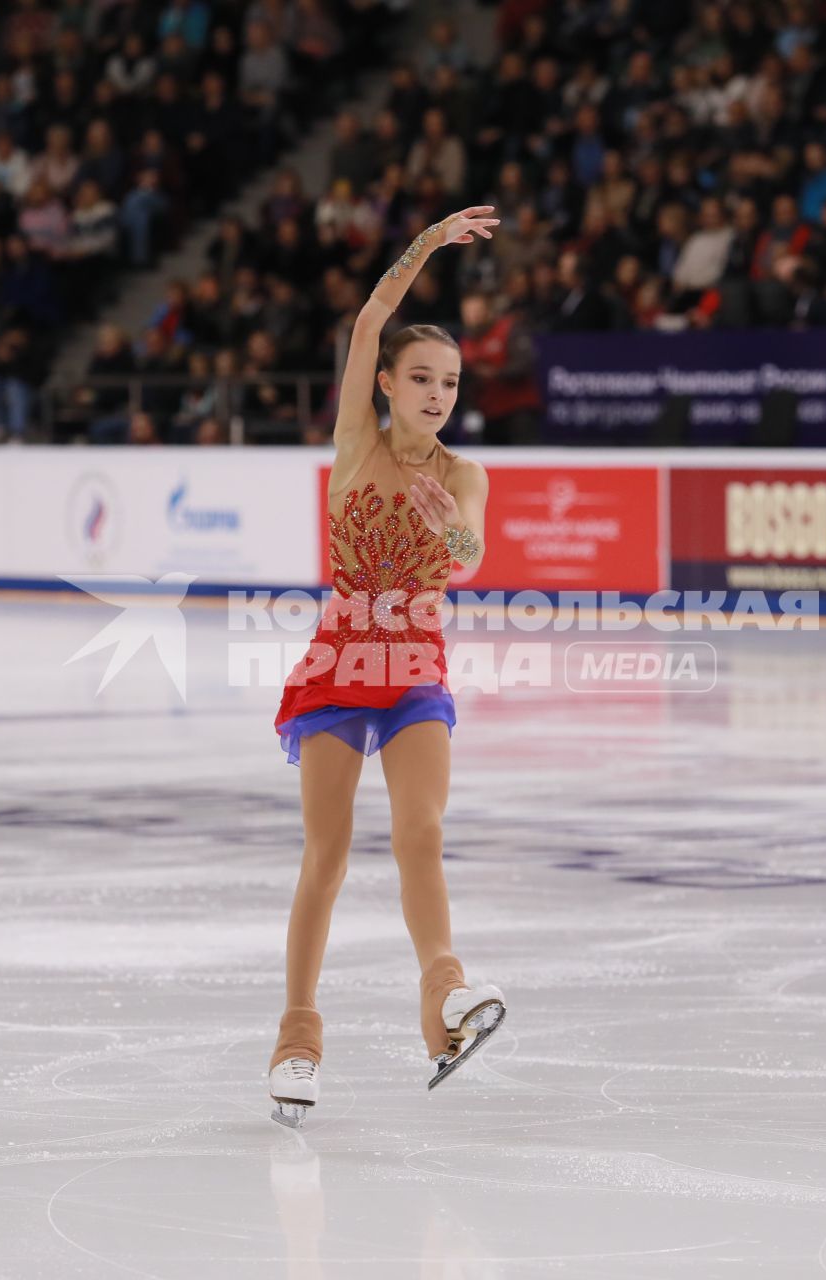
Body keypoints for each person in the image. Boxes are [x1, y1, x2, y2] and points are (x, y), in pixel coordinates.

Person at [267, 206, 506, 1128]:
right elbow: (369, 318)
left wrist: (447, 516)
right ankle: (296, 1037)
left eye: (449, 380)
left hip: (414, 666)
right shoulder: (357, 445)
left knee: (421, 831)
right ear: (387, 383)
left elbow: (473, 554)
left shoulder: (465, 475)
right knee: (325, 857)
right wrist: (428, 244)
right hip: (337, 662)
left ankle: (443, 995)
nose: (438, 393)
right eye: (421, 378)